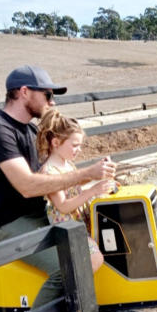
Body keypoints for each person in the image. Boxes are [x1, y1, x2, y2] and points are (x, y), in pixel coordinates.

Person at [0, 65, 117, 309]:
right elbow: (27, 186)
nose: (51, 102)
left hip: (39, 213)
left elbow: (55, 174)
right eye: (47, 95)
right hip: (10, 221)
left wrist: (94, 180)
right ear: (25, 92)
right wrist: (87, 175)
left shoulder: (30, 130)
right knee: (72, 265)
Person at [36, 108, 112, 274]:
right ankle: (75, 292)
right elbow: (63, 206)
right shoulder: (49, 172)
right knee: (95, 259)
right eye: (75, 145)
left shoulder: (67, 164)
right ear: (56, 143)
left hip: (79, 224)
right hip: (68, 230)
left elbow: (75, 188)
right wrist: (92, 191)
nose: (79, 150)